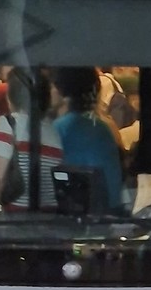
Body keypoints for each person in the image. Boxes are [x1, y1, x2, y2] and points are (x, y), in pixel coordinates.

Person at [0, 69, 63, 212]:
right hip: (48, 217)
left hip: (17, 217)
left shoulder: (10, 124)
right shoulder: (54, 131)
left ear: (10, 98)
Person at [50, 67, 123, 210]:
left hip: (75, 214)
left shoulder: (58, 129)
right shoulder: (104, 129)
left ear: (60, 92)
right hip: (109, 211)